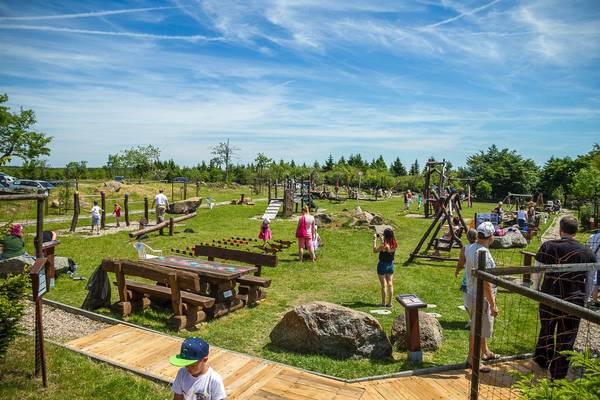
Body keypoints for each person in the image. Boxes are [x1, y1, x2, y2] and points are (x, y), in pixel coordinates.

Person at [533, 216, 597, 379]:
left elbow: (537, 270)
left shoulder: (548, 246)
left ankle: (543, 360)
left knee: (547, 329)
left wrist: (535, 289)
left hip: (549, 295)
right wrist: (586, 298)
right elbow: (590, 279)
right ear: (575, 231)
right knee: (567, 335)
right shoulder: (587, 252)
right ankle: (559, 372)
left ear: (561, 229)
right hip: (574, 300)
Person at [465, 221, 500, 372]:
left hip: (471, 292)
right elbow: (486, 283)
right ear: (490, 237)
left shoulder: (470, 247)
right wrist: (493, 304)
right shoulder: (483, 254)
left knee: (479, 325)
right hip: (480, 296)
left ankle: (485, 352)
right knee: (477, 328)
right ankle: (473, 359)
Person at [455, 228, 478, 328]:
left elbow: (461, 262)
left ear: (467, 237)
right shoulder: (481, 247)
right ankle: (474, 319)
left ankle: (473, 320)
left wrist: (457, 270)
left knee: (467, 302)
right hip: (479, 276)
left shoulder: (465, 248)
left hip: (468, 276)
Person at [372, 228, 397, 308]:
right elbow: (388, 248)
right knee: (390, 284)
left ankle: (383, 303)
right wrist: (382, 240)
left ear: (385, 236)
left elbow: (375, 250)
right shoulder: (394, 244)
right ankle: (389, 303)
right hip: (390, 264)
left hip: (382, 265)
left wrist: (374, 241)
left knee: (383, 285)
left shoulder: (384, 246)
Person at [587, 230, 600, 305]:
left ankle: (594, 300)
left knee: (595, 283)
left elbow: (587, 248)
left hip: (595, 262)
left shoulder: (593, 237)